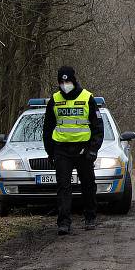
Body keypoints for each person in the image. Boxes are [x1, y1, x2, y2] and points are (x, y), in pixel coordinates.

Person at [43, 66, 104, 235]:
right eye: (62, 82)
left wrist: (93, 149)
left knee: (88, 185)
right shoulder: (54, 100)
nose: (65, 84)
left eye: (67, 81)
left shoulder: (87, 97)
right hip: (62, 150)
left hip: (83, 149)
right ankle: (63, 223)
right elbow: (47, 129)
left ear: (74, 80)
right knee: (63, 187)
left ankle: (90, 217)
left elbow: (98, 127)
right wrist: (50, 151)